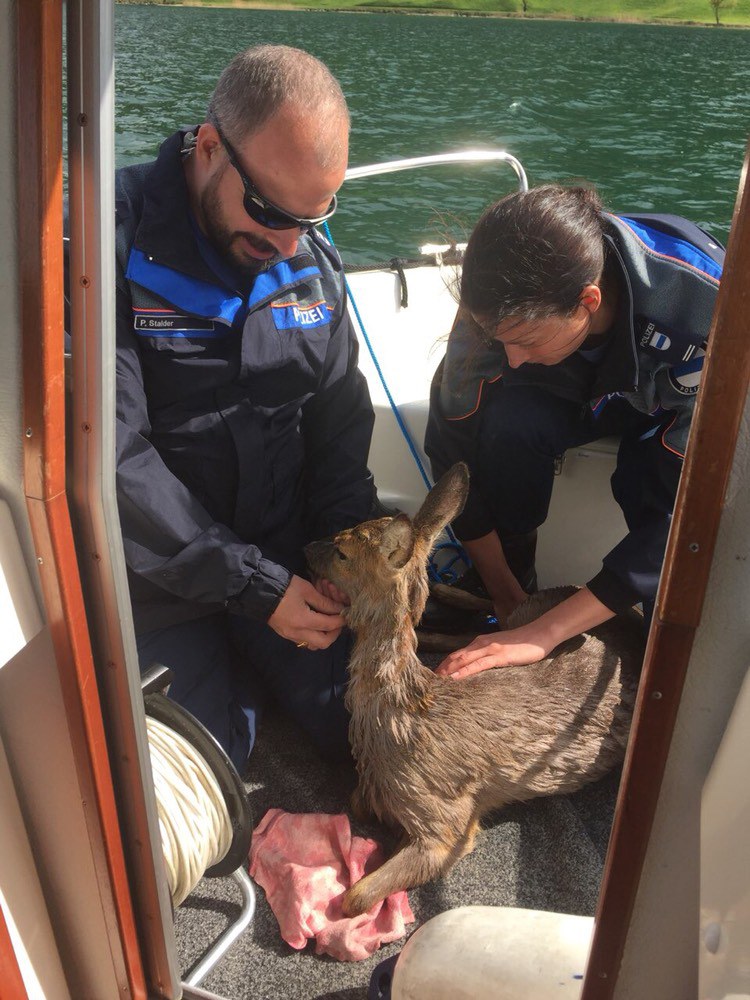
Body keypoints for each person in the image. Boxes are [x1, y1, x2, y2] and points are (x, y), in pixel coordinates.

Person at [114, 45, 375, 770]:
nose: (286, 244)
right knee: (198, 774)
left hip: (285, 558)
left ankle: (254, 672)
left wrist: (342, 556)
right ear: (208, 146)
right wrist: (252, 588)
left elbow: (338, 422)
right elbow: (108, 451)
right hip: (157, 581)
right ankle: (238, 681)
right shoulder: (101, 248)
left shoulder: (306, 260)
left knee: (368, 737)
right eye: (267, 210)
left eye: (312, 218)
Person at [425, 184, 723, 680]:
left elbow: (685, 520)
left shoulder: (706, 307)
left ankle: (660, 626)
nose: (511, 359)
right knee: (506, 424)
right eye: (500, 340)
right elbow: (449, 446)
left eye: (524, 341)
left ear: (588, 300)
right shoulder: (497, 303)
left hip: (677, 399)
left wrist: (543, 634)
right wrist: (505, 593)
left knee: (648, 479)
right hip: (584, 383)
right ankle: (510, 580)